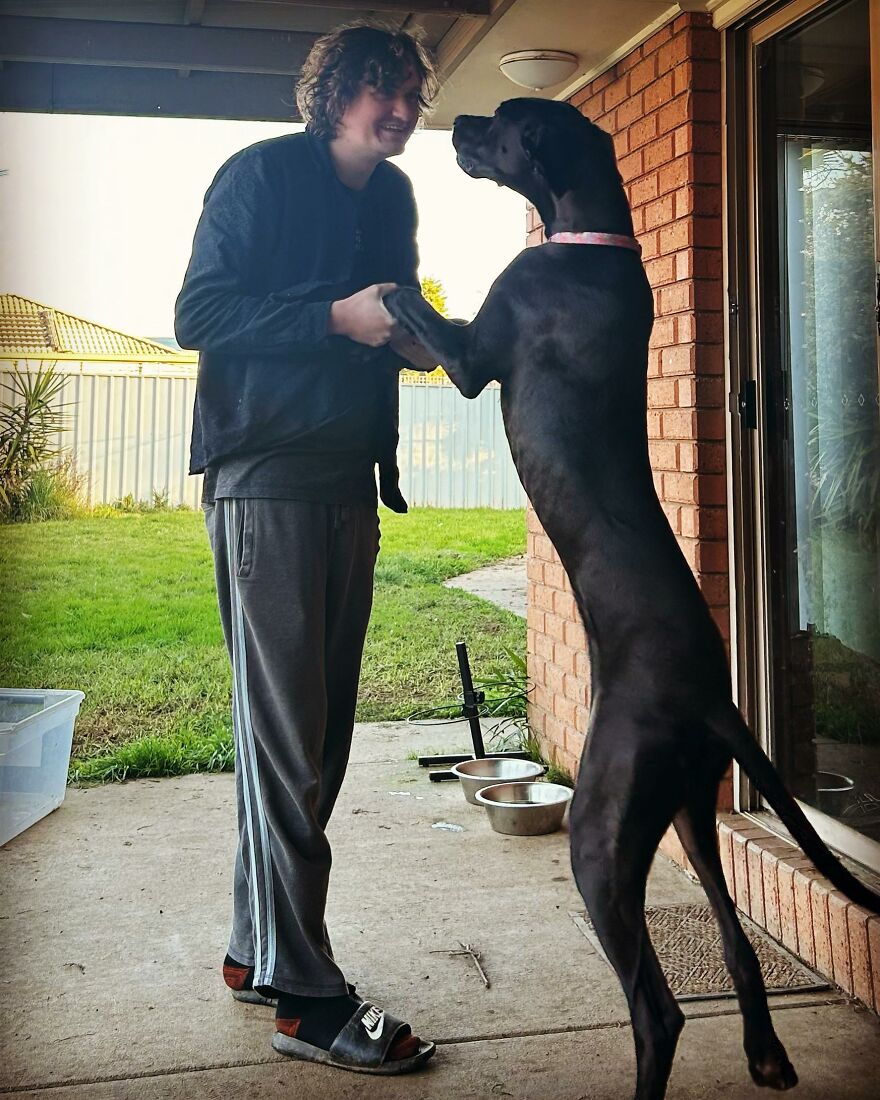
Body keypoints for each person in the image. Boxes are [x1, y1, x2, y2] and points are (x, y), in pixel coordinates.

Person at [174, 23, 438, 1075]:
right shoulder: (256, 178)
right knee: (288, 739)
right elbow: (200, 311)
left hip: (347, 485)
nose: (406, 110)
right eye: (389, 90)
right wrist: (335, 316)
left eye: (415, 94)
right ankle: (307, 998)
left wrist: (421, 338)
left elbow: (397, 311)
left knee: (313, 741)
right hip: (265, 479)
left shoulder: (395, 200)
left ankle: (255, 946)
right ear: (336, 90)